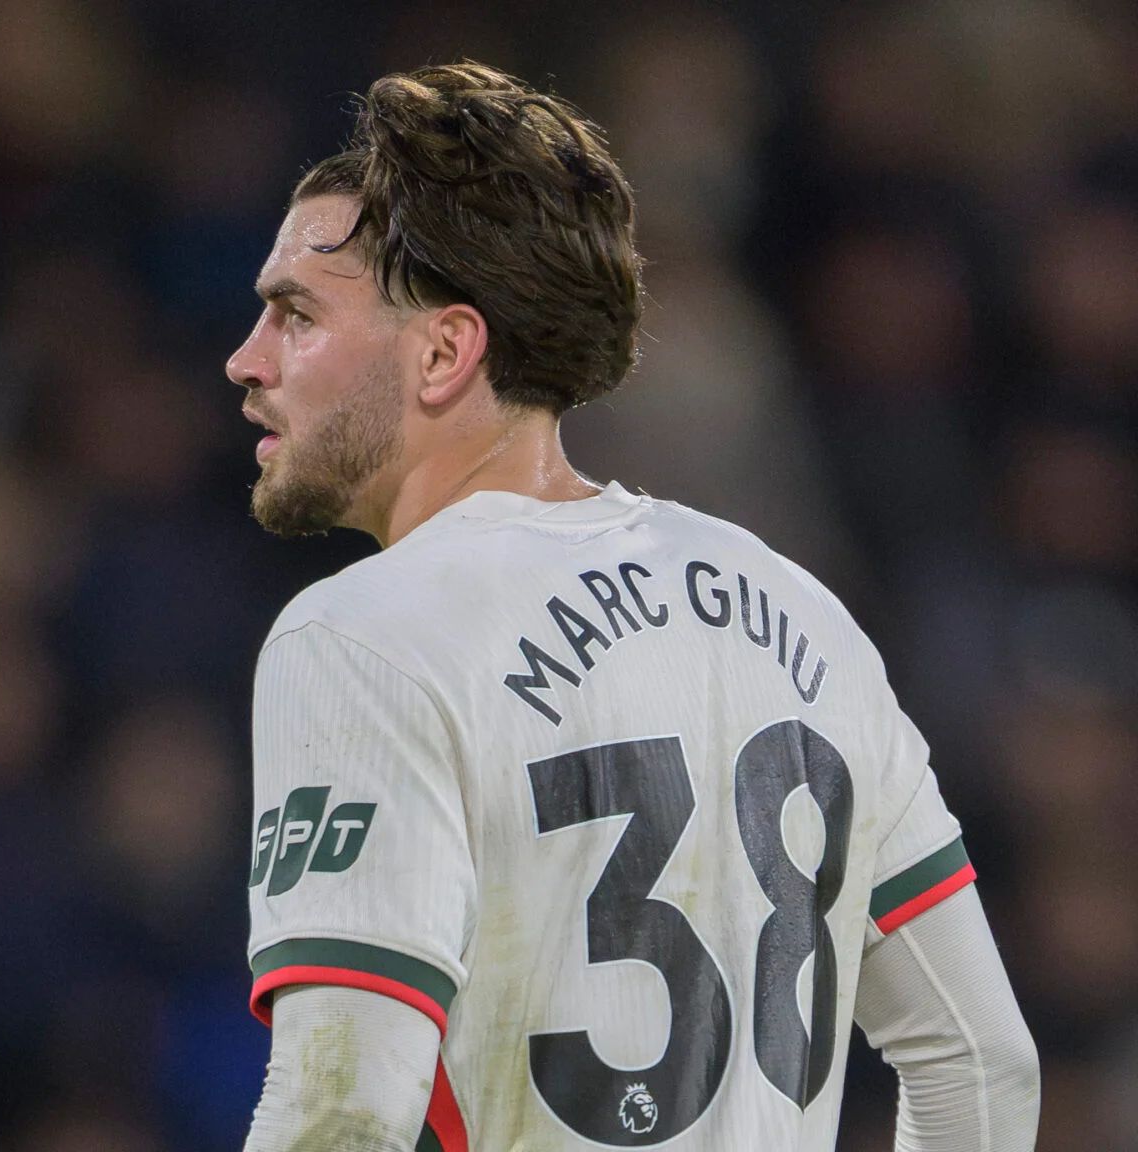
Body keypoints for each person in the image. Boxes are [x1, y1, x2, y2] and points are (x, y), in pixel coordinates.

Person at [226, 62, 1039, 1152]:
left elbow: (339, 1110)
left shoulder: (364, 634)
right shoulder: (801, 613)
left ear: (442, 351)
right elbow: (981, 1063)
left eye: (295, 315)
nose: (247, 361)